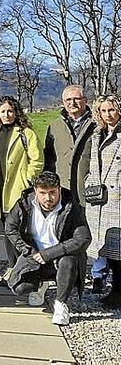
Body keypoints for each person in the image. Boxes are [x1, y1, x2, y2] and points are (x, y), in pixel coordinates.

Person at [6, 171, 91, 325]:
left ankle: (60, 304)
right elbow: (10, 228)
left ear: (59, 189)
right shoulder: (23, 204)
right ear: (35, 191)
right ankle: (40, 285)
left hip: (61, 257)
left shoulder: (71, 207)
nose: (48, 198)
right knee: (19, 288)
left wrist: (49, 253)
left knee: (68, 262)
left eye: (52, 192)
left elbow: (83, 238)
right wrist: (27, 250)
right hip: (35, 255)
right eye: (42, 193)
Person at [43, 86, 98, 287]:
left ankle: (81, 280)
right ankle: (62, 277)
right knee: (61, 235)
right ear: (62, 102)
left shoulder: (96, 124)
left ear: (85, 100)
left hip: (88, 191)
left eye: (77, 99)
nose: (72, 103)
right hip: (62, 190)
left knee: (83, 237)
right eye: (68, 100)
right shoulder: (55, 125)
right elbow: (49, 158)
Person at [0, 95, 44, 267]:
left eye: (10, 111)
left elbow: (37, 160)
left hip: (17, 189)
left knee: (17, 231)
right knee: (6, 231)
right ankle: (12, 267)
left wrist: (27, 180)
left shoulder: (26, 133)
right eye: (3, 111)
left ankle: (19, 267)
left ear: (16, 113)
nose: (6, 115)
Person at [84, 94, 121, 303]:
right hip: (99, 198)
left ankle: (118, 291)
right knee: (107, 247)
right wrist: (89, 181)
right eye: (104, 110)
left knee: (118, 248)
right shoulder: (97, 133)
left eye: (112, 110)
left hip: (117, 199)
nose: (108, 115)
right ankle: (114, 290)